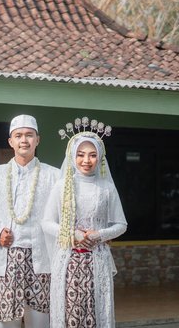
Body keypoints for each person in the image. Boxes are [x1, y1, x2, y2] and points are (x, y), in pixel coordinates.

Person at [42, 117, 127, 328]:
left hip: (98, 261)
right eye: (80, 155)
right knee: (70, 316)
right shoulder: (62, 186)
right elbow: (46, 222)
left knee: (97, 314)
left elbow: (121, 224)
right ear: (72, 156)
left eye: (92, 155)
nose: (86, 160)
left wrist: (99, 235)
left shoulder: (107, 188)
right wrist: (74, 234)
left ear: (100, 157)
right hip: (68, 262)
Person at [0, 114, 60, 328]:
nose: (24, 140)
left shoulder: (55, 176)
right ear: (10, 141)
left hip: (41, 258)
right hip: (6, 258)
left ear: (38, 140)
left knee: (40, 320)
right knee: (6, 322)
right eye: (19, 135)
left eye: (29, 135)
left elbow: (64, 214)